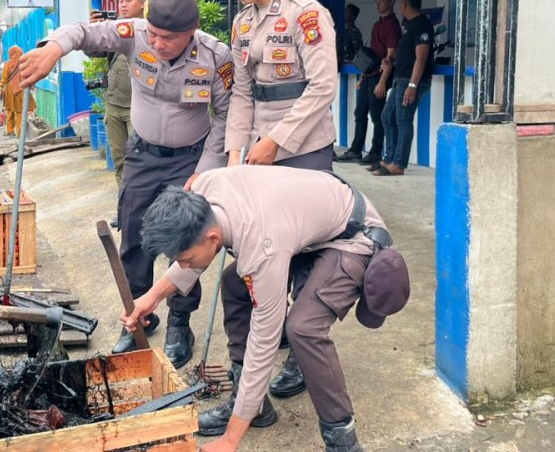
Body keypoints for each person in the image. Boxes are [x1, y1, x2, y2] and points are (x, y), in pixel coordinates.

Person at [18, 0, 233, 368]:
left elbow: (226, 118)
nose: (159, 43)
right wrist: (53, 48)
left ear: (193, 30)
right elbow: (82, 32)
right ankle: (139, 315)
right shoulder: (134, 34)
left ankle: (180, 322)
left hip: (191, 160)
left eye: (169, 38)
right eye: (154, 34)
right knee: (133, 237)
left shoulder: (216, 57)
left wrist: (206, 171)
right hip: (143, 156)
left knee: (185, 241)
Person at [124, 166, 408, 452]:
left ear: (212, 238)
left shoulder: (262, 246)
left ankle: (342, 440)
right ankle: (253, 406)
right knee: (233, 285)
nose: (182, 265)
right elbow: (194, 255)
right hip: (303, 225)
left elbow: (264, 344)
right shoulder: (202, 189)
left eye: (184, 259)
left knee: (304, 327)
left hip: (354, 236)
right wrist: (153, 296)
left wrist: (230, 440)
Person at [212, 0, 339, 396]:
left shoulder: (306, 14)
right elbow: (242, 93)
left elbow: (323, 88)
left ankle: (306, 352)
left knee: (307, 254)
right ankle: (275, 330)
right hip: (259, 154)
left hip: (303, 150)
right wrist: (233, 157)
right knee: (263, 246)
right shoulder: (243, 23)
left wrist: (277, 143)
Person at [90, 0, 147, 185]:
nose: (122, 5)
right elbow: (93, 51)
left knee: (140, 161)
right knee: (119, 161)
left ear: (142, 3)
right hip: (114, 106)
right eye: (120, 1)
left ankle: (143, 211)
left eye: (128, 0)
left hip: (138, 109)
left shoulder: (151, 31)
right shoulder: (114, 31)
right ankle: (123, 210)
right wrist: (94, 30)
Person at [373, 0, 433, 177]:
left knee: (403, 120)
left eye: (399, 2)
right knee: (387, 116)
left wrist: (412, 85)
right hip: (400, 78)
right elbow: (405, 53)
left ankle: (398, 164)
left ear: (404, 3)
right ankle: (389, 158)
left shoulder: (422, 24)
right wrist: (390, 60)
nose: (399, 6)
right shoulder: (408, 24)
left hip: (411, 81)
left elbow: (421, 58)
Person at [339, 0, 401, 165]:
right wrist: (363, 77)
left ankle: (375, 151)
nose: (377, 4)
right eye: (376, 1)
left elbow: (390, 57)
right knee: (360, 112)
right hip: (370, 75)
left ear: (392, 2)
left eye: (381, 1)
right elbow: (373, 56)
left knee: (376, 115)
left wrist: (382, 82)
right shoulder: (377, 24)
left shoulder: (392, 25)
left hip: (380, 77)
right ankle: (356, 150)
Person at [0, 46, 37, 136]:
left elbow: (4, 78)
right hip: (21, 90)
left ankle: (10, 130)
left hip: (9, 90)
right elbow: (29, 75)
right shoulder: (24, 64)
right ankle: (20, 133)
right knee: (20, 112)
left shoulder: (7, 65)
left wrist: (1, 88)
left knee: (10, 111)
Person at [336, 3, 363, 70]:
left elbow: (358, 50)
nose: (344, 14)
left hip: (349, 66)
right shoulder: (341, 30)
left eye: (347, 12)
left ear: (352, 16)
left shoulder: (354, 32)